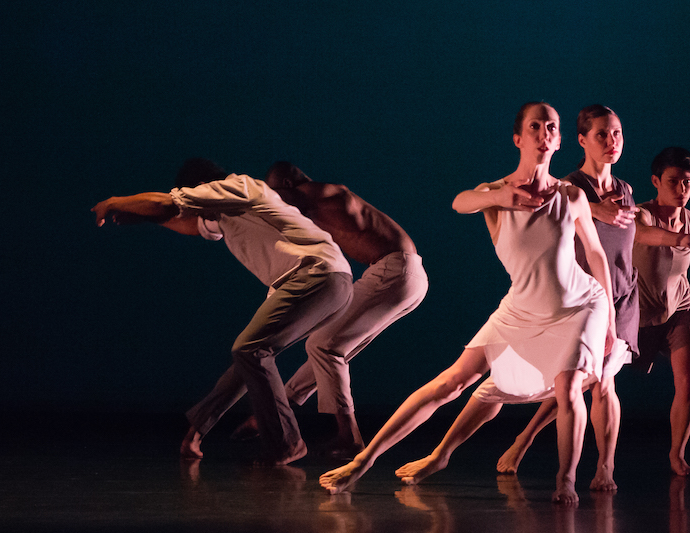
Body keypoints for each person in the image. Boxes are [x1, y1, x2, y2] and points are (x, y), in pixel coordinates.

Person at [320, 102, 618, 504]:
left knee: (567, 388)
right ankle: (365, 460)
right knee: (453, 382)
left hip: (579, 306)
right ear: (518, 138)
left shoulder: (571, 196)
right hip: (522, 308)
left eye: (552, 127)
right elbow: (461, 201)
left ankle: (565, 480)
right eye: (535, 126)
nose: (544, 133)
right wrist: (503, 195)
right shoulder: (493, 196)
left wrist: (611, 321)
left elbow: (596, 255)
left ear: (561, 140)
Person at [395, 105, 637, 492]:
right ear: (578, 141)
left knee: (593, 384)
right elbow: (468, 200)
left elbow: (606, 249)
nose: (612, 141)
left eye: (618, 133)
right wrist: (587, 209)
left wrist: (611, 310)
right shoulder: (572, 185)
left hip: (604, 298)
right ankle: (449, 453)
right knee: (494, 387)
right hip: (542, 303)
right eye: (602, 135)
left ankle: (593, 471)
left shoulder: (624, 191)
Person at [91, 158, 354, 465]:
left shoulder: (238, 186)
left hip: (316, 275)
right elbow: (188, 223)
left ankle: (286, 444)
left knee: (250, 350)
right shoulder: (230, 210)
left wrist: (113, 202)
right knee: (249, 357)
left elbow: (169, 203)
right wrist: (147, 217)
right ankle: (196, 434)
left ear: (204, 187)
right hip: (332, 282)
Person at [227, 162, 429, 458]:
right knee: (330, 349)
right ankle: (273, 414)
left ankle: (350, 436)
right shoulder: (318, 207)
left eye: (275, 190)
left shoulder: (318, 193)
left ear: (286, 183)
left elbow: (275, 204)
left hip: (394, 270)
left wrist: (222, 200)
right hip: (406, 276)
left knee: (323, 345)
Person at [632, 146, 690, 477]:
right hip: (640, 315)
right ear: (656, 181)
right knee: (586, 382)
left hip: (680, 309)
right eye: (673, 181)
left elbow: (678, 271)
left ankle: (677, 454)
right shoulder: (640, 214)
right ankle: (524, 439)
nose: (681, 189)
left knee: (688, 384)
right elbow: (646, 235)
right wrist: (682, 239)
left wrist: (687, 237)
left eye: (687, 182)